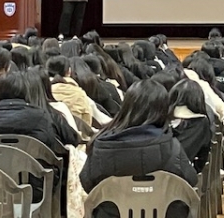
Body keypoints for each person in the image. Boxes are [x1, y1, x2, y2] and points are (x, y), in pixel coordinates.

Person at [79, 80, 197, 218]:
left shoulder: (101, 146)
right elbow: (191, 180)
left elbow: (87, 183)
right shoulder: (172, 147)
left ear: (127, 106)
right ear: (163, 110)